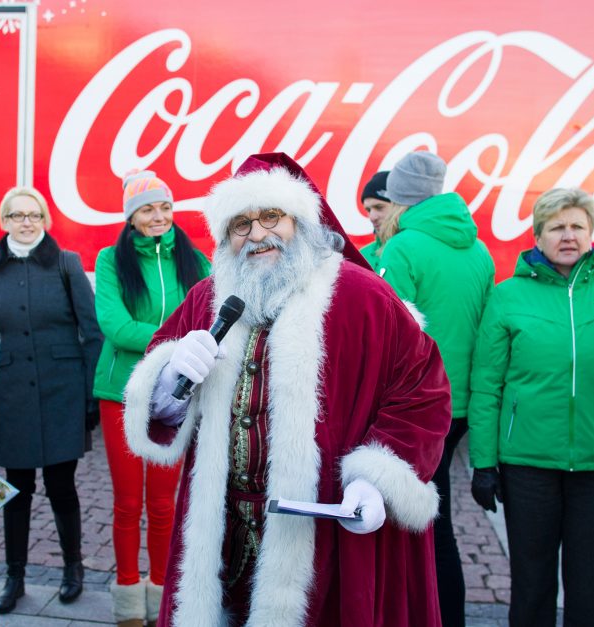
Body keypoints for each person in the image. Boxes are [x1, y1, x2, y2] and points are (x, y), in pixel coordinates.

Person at [122, 153, 451, 626]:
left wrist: (378, 477)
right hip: (224, 535)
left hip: (324, 538)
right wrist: (168, 384)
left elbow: (423, 390)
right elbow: (158, 403)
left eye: (271, 217)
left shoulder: (362, 297)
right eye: (240, 224)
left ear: (301, 221)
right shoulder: (205, 298)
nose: (257, 235)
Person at [468, 187, 594, 626]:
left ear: (592, 233)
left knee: (592, 593)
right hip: (528, 466)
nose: (568, 235)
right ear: (538, 236)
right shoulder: (508, 296)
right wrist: (483, 462)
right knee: (532, 588)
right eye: (557, 226)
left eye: (578, 226)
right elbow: (487, 387)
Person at [0, 186, 102, 614]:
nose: (26, 222)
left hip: (64, 393)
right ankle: (15, 577)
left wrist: (89, 396)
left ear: (44, 219)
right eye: (16, 214)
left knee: (62, 486)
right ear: (4, 220)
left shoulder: (66, 264)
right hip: (14, 396)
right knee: (18, 489)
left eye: (33, 214)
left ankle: (72, 569)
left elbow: (92, 333)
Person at [375, 151, 494, 627]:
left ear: (398, 198)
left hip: (419, 406)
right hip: (459, 404)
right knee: (436, 518)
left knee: (424, 526)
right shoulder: (478, 249)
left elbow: (387, 333)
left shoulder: (403, 248)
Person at [92, 169, 210, 627]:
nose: (158, 216)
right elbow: (115, 327)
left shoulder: (194, 258)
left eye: (164, 206)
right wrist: (178, 343)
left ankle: (161, 595)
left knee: (164, 503)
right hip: (120, 393)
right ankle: (127, 600)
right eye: (147, 209)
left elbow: (211, 314)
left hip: (176, 395)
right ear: (131, 217)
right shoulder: (110, 260)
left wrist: (184, 347)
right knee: (127, 503)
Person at [357, 170, 391, 268]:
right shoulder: (362, 256)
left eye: (379, 207)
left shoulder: (415, 249)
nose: (372, 217)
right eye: (368, 210)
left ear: (398, 207)